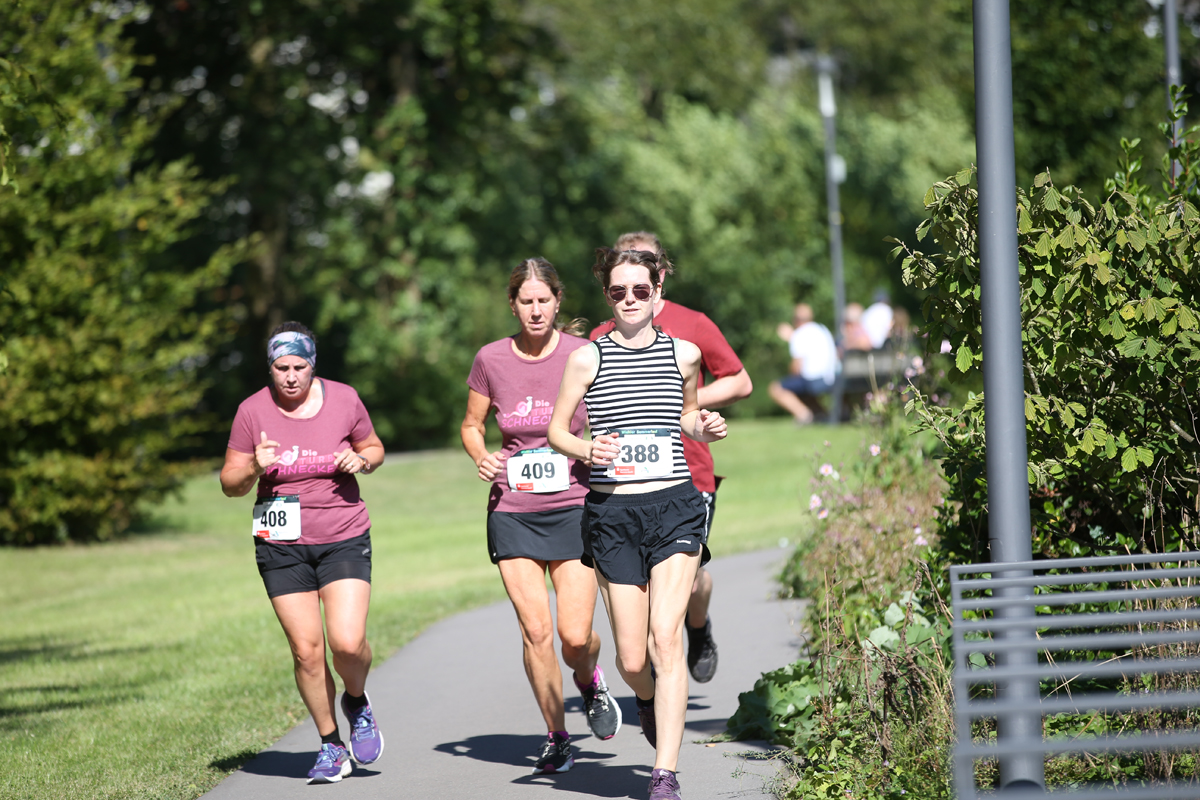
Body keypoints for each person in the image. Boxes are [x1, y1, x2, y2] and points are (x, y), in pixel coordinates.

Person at [549, 247, 728, 800]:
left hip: (674, 505)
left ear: (658, 294)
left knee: (665, 640)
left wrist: (706, 424)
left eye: (640, 291)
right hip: (612, 514)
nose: (629, 300)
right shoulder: (586, 359)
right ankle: (646, 700)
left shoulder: (686, 353)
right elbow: (558, 431)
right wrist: (587, 447)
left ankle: (664, 774)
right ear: (608, 297)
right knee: (632, 659)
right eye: (618, 292)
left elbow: (686, 416)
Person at [460, 258, 620, 775]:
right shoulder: (490, 359)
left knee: (575, 637)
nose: (534, 310)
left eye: (543, 300)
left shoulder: (583, 354)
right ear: (513, 305)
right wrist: (480, 455)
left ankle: (589, 678)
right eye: (525, 301)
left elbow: (613, 409)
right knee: (536, 632)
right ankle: (556, 735)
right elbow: (471, 424)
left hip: (574, 506)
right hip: (513, 509)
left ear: (557, 302)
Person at [220, 322, 386, 784]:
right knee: (306, 652)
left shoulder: (345, 399)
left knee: (348, 643)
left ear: (313, 365)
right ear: (269, 368)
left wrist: (363, 459)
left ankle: (356, 700)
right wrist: (255, 465)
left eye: (299, 366)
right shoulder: (251, 411)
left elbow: (373, 445)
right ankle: (331, 743)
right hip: (281, 547)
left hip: (343, 535)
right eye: (280, 368)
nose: (290, 377)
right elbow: (229, 483)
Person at [589, 231, 751, 684]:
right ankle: (653, 681)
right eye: (623, 278)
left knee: (691, 579)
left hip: (688, 473)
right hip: (623, 486)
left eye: (649, 267)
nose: (633, 292)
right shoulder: (604, 334)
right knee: (641, 595)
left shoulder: (692, 324)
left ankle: (697, 629)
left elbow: (740, 381)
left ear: (660, 275)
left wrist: (683, 404)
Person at [768, 303, 838, 424]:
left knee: (776, 388)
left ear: (796, 319)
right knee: (802, 386)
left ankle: (804, 415)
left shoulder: (800, 333)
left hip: (814, 380)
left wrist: (791, 338)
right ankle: (821, 414)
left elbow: (796, 368)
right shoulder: (823, 329)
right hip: (832, 378)